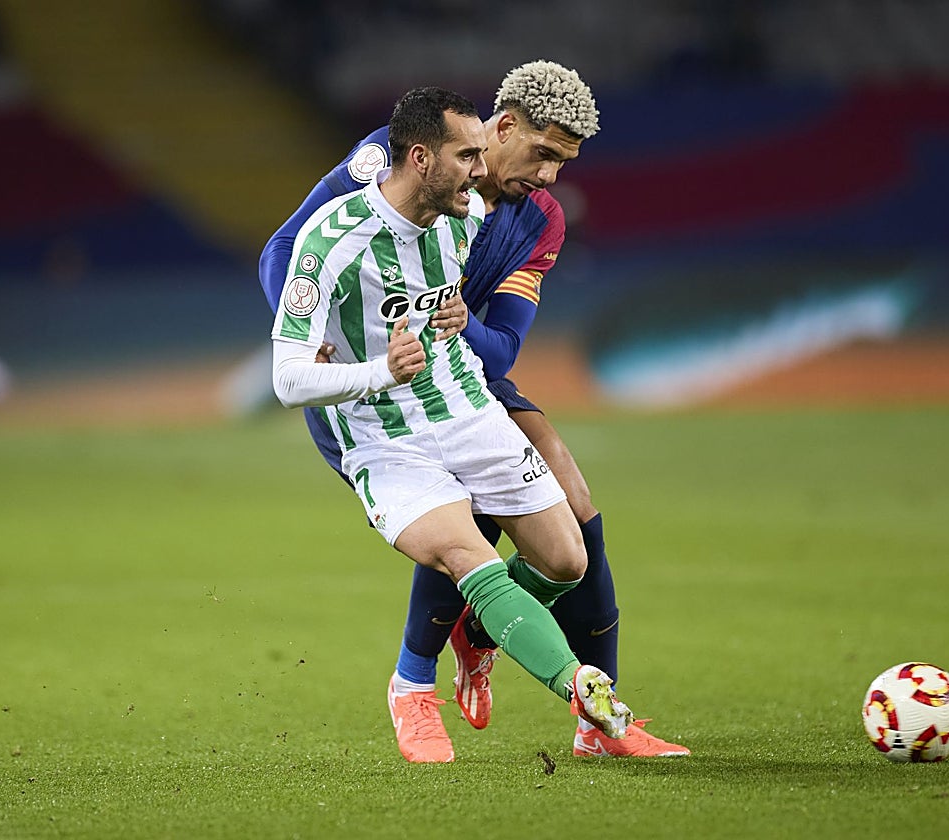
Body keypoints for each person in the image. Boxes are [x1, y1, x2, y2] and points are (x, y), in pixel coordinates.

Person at [261, 61, 689, 762]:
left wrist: (459, 324)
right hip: (371, 388)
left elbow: (504, 348)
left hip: (459, 371)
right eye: (544, 154)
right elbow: (292, 247)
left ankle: (562, 693)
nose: (550, 178)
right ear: (503, 127)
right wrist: (321, 345)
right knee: (463, 529)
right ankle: (417, 684)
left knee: (576, 522)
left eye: (564, 162)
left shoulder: (532, 220)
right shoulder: (400, 158)